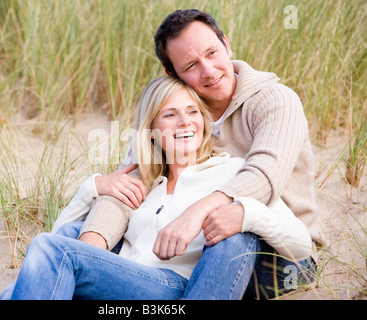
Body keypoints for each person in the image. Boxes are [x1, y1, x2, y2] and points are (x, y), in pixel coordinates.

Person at [70, 9, 326, 299]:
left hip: (279, 253)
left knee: (229, 224)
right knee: (80, 236)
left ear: (227, 45)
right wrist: (90, 248)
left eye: (212, 53)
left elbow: (264, 177)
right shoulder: (176, 113)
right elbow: (131, 184)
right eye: (191, 65)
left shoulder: (275, 101)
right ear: (173, 74)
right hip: (189, 248)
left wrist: (197, 211)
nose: (209, 70)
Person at [0, 76, 313, 300]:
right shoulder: (143, 184)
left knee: (49, 250)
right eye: (170, 115)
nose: (184, 122)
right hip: (120, 282)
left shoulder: (231, 173)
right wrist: (91, 187)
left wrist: (246, 215)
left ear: (204, 122)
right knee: (34, 267)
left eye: (192, 112)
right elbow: (52, 254)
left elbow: (301, 245)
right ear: (151, 132)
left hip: (178, 288)